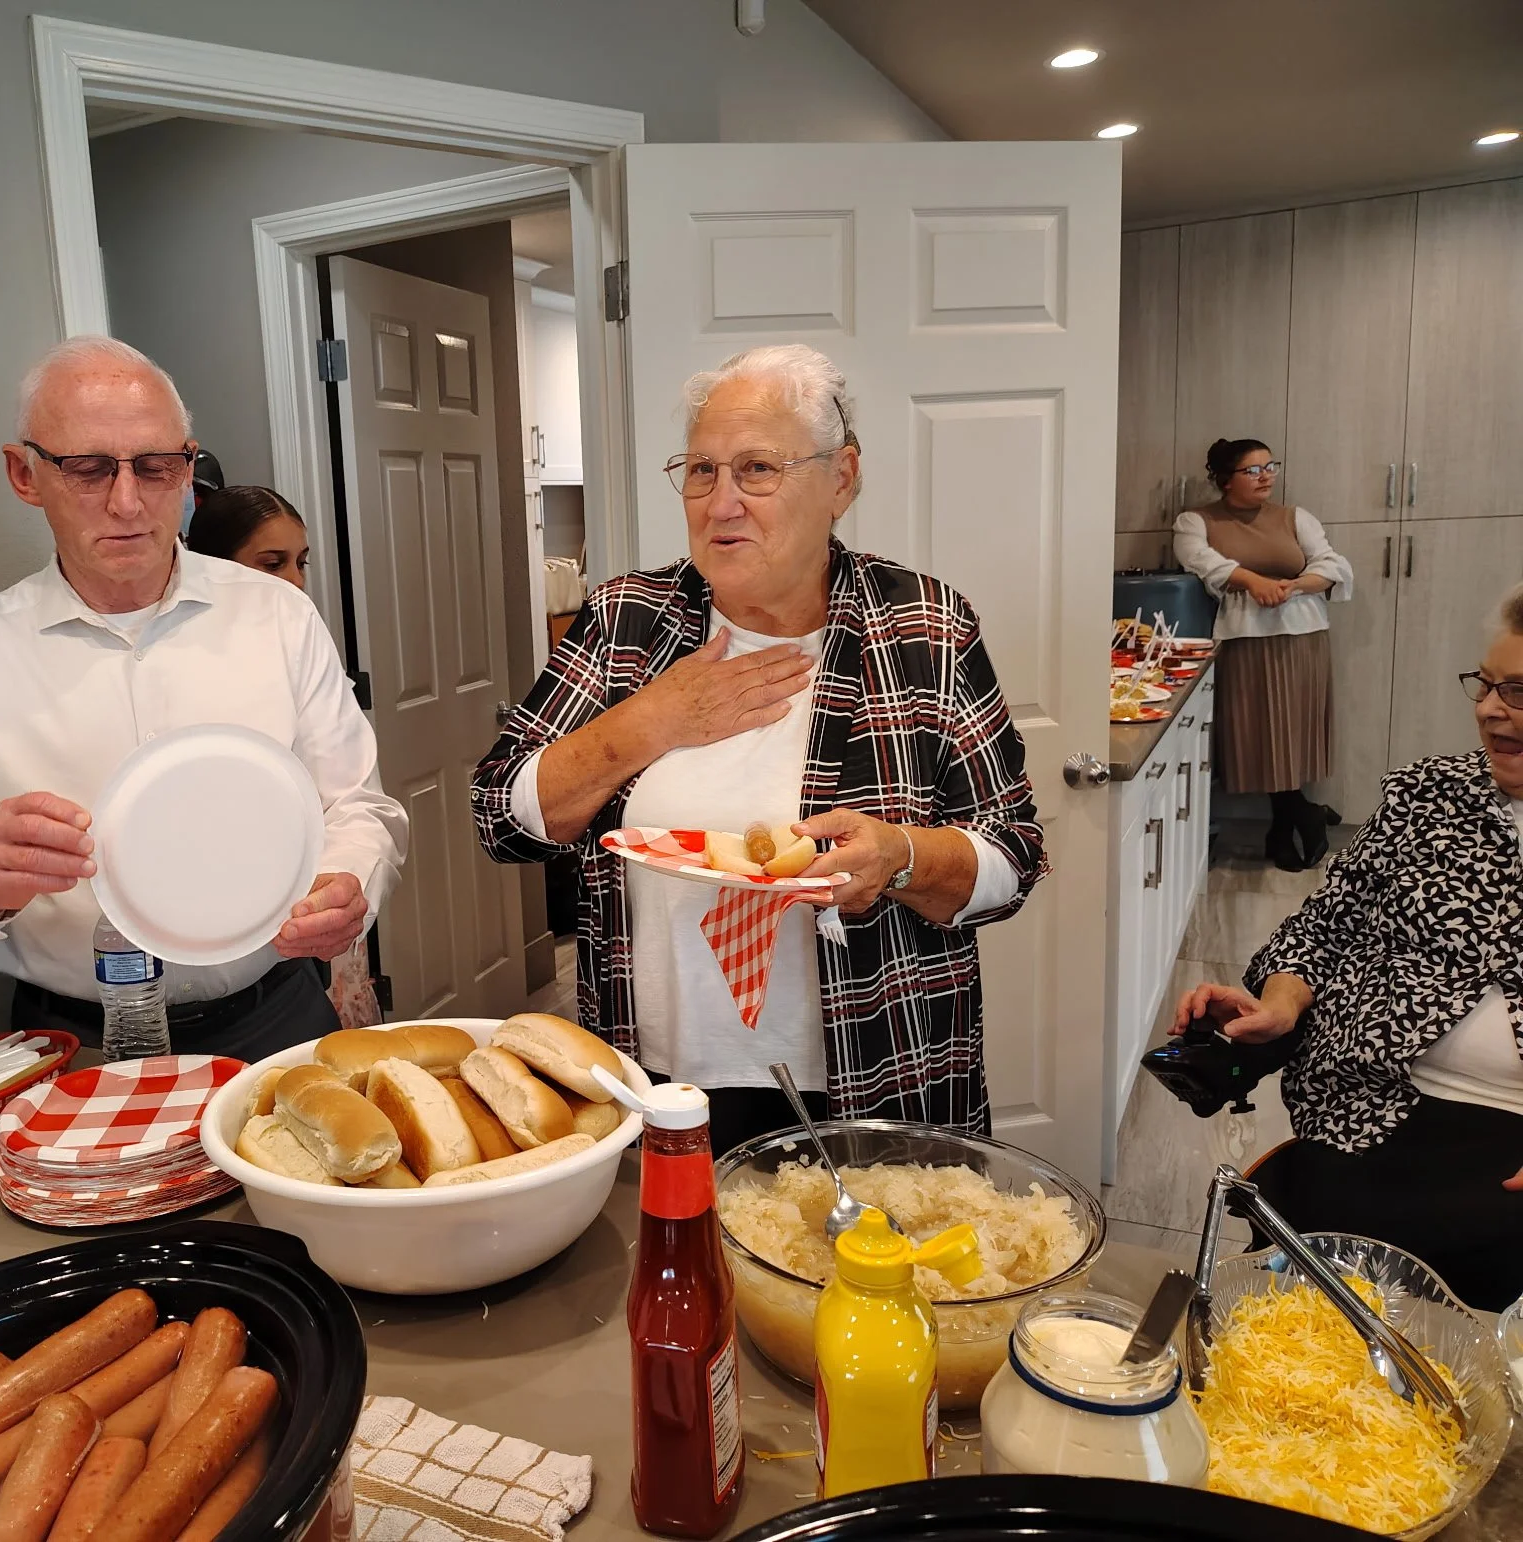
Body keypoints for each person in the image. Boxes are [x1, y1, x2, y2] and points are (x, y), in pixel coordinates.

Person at [470, 343, 1048, 1156]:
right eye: (700, 472)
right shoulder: (628, 621)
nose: (721, 503)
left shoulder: (924, 625)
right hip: (652, 1087)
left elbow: (1014, 856)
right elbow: (500, 817)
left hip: (876, 1066)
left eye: (757, 469)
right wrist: (648, 722)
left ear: (841, 478)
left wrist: (900, 855)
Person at [0, 337, 408, 1060]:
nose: (127, 501)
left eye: (155, 467)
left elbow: (359, 808)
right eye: (87, 469)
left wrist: (347, 884)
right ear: (25, 474)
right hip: (72, 1038)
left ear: (186, 469)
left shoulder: (277, 617)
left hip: (275, 1014)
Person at [1170, 583, 1523, 1310]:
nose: (1490, 710)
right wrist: (1280, 1002)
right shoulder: (1429, 794)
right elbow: (1327, 923)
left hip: (1509, 1147)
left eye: (1517, 692)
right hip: (1369, 1107)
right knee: (1296, 1327)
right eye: (1486, 685)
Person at [187, 484, 381, 1031]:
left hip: (286, 959)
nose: (294, 582)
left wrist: (348, 871)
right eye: (270, 565)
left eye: (302, 562)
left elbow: (356, 799)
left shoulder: (298, 647)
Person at [1173, 439, 1353, 870]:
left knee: (1293, 730)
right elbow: (1199, 560)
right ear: (1224, 479)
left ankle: (1283, 824)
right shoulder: (1196, 520)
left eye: (1270, 466)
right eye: (1253, 470)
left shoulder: (1295, 517)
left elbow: (1332, 565)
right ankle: (1300, 814)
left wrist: (1291, 586)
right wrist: (1253, 581)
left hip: (1302, 635)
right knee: (1257, 732)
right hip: (1243, 637)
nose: (1266, 476)